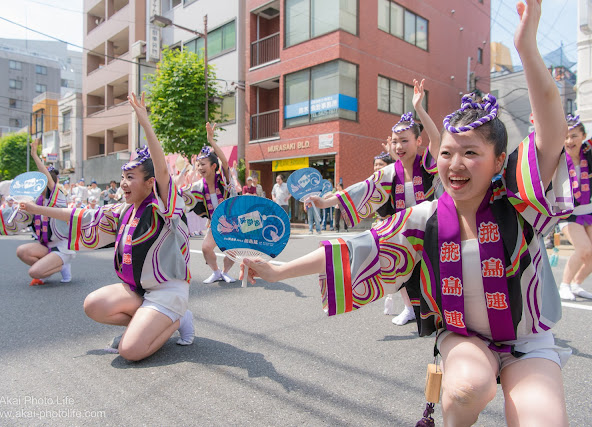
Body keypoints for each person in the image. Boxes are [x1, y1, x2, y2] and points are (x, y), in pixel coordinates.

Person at [243, 3, 571, 424]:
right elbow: (352, 248)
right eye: (448, 153)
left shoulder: (522, 202)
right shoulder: (424, 217)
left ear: (499, 161)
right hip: (465, 337)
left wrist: (526, 47)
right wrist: (277, 269)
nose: (454, 164)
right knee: (468, 387)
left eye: (471, 153)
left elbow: (551, 129)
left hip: (529, 340)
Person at [20, 92, 195, 361]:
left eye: (131, 177)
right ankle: (146, 323)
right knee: (93, 305)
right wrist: (35, 209)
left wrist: (145, 122)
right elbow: (80, 214)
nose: (123, 183)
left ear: (150, 183)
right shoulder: (122, 210)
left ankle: (177, 319)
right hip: (138, 289)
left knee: (130, 351)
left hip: (166, 291)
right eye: (122, 177)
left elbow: (161, 171)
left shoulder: (166, 207)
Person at [317, 79, 440, 326]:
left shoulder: (427, 164)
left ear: (418, 142)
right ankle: (409, 309)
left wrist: (420, 110)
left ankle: (439, 313)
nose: (399, 146)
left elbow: (436, 139)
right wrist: (324, 202)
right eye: (395, 141)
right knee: (400, 271)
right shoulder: (390, 172)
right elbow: (359, 190)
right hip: (402, 232)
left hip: (430, 228)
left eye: (405, 140)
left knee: (434, 274)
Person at [0, 139, 76, 285]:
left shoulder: (57, 197)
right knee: (22, 251)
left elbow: (47, 178)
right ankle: (50, 265)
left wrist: (34, 154)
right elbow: (8, 213)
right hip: (46, 245)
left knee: (34, 272)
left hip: (63, 246)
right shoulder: (34, 201)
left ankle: (61, 264)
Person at [181, 123, 237, 284]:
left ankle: (226, 272)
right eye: (198, 165)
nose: (199, 168)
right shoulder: (198, 186)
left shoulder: (224, 181)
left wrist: (211, 140)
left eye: (203, 164)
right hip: (214, 223)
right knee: (206, 247)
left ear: (213, 166)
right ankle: (216, 272)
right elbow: (181, 195)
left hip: (231, 221)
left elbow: (225, 162)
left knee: (231, 249)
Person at [557, 114, 592, 300]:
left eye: (574, 136)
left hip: (588, 211)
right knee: (584, 249)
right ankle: (565, 284)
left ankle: (577, 284)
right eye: (566, 136)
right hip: (568, 213)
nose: (569, 141)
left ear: (584, 136)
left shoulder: (589, 155)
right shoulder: (558, 159)